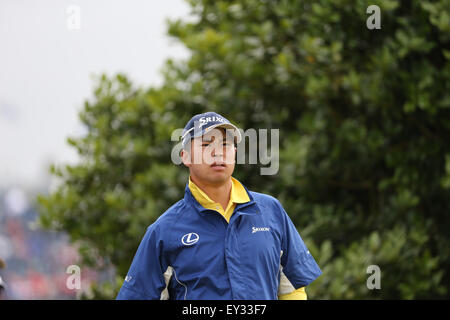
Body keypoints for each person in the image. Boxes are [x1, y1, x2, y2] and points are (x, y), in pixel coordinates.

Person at [116, 111, 322, 300]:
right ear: (185, 156)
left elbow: (292, 288)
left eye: (225, 144)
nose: (218, 152)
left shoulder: (271, 211)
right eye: (206, 145)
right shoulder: (163, 231)